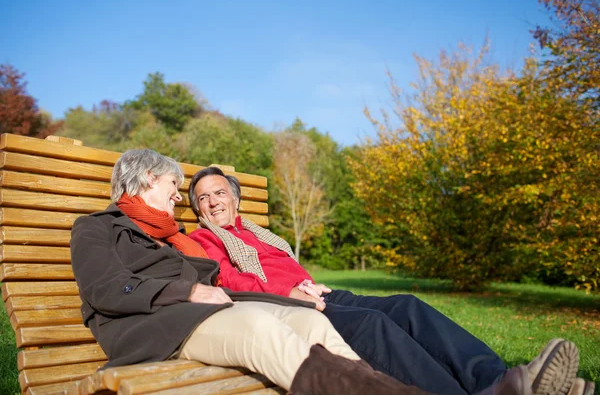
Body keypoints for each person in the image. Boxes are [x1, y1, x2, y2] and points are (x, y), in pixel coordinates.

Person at [188, 166, 587, 395]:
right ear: (198, 209)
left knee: (406, 306)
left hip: (321, 293)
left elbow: (291, 268)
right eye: (202, 198)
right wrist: (291, 294)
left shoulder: (257, 232)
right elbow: (229, 286)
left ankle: (498, 379)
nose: (213, 202)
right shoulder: (201, 240)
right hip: (289, 308)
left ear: (236, 199)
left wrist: (308, 286)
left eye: (219, 192)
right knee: (373, 325)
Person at [70, 149, 441, 395]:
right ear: (150, 178)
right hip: (157, 327)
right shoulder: (96, 227)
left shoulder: (175, 239)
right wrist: (188, 292)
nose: (179, 197)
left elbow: (221, 284)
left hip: (207, 314)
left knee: (311, 323)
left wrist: (289, 299)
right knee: (258, 327)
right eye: (174, 185)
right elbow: (105, 288)